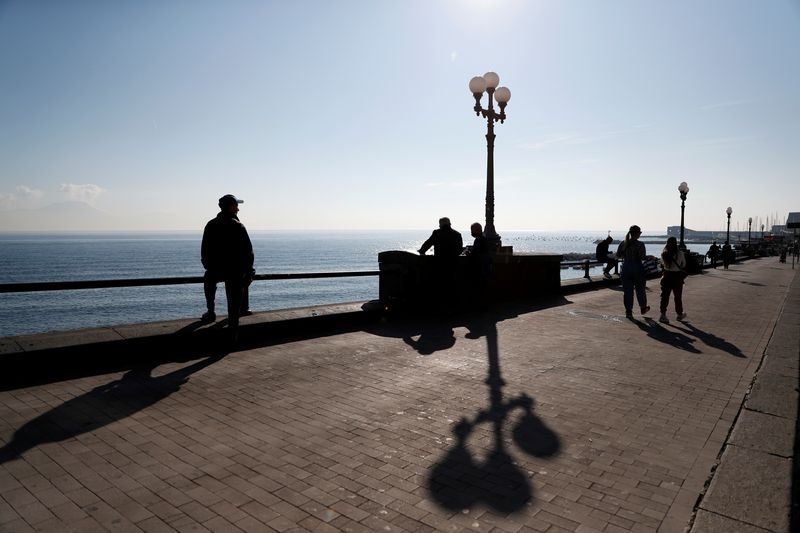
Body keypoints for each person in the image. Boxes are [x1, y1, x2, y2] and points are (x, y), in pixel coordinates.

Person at [201, 194, 255, 341]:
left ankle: (210, 311)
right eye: (236, 206)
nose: (238, 209)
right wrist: (249, 273)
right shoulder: (238, 226)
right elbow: (248, 253)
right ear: (231, 207)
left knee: (209, 281)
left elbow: (204, 251)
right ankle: (232, 337)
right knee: (234, 306)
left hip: (216, 270)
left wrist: (210, 267)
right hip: (235, 272)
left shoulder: (211, 224)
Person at [418, 217, 463, 309]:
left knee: (440, 287)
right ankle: (453, 308)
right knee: (452, 287)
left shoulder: (437, 233)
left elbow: (427, 244)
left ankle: (441, 309)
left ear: (441, 224)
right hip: (453, 265)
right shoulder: (457, 234)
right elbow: (459, 250)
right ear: (450, 224)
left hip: (439, 265)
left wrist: (421, 251)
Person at [616, 225, 650, 319]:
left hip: (626, 268)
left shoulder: (623, 243)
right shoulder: (640, 244)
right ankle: (643, 308)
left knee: (627, 291)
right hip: (637, 268)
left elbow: (618, 255)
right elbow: (642, 257)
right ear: (637, 233)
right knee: (640, 290)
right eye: (639, 233)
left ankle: (629, 311)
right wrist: (650, 257)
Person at [659, 237, 687, 324]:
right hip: (677, 277)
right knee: (677, 297)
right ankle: (679, 314)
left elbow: (662, 265)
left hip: (666, 276)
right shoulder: (680, 253)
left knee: (664, 296)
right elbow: (683, 264)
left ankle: (663, 315)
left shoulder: (664, 253)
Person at [465, 222, 490, 308]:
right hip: (485, 267)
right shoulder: (483, 238)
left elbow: (476, 253)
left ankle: (479, 306)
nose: (471, 232)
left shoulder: (479, 239)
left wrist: (469, 253)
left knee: (479, 287)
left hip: (480, 267)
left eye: (472, 230)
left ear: (477, 230)